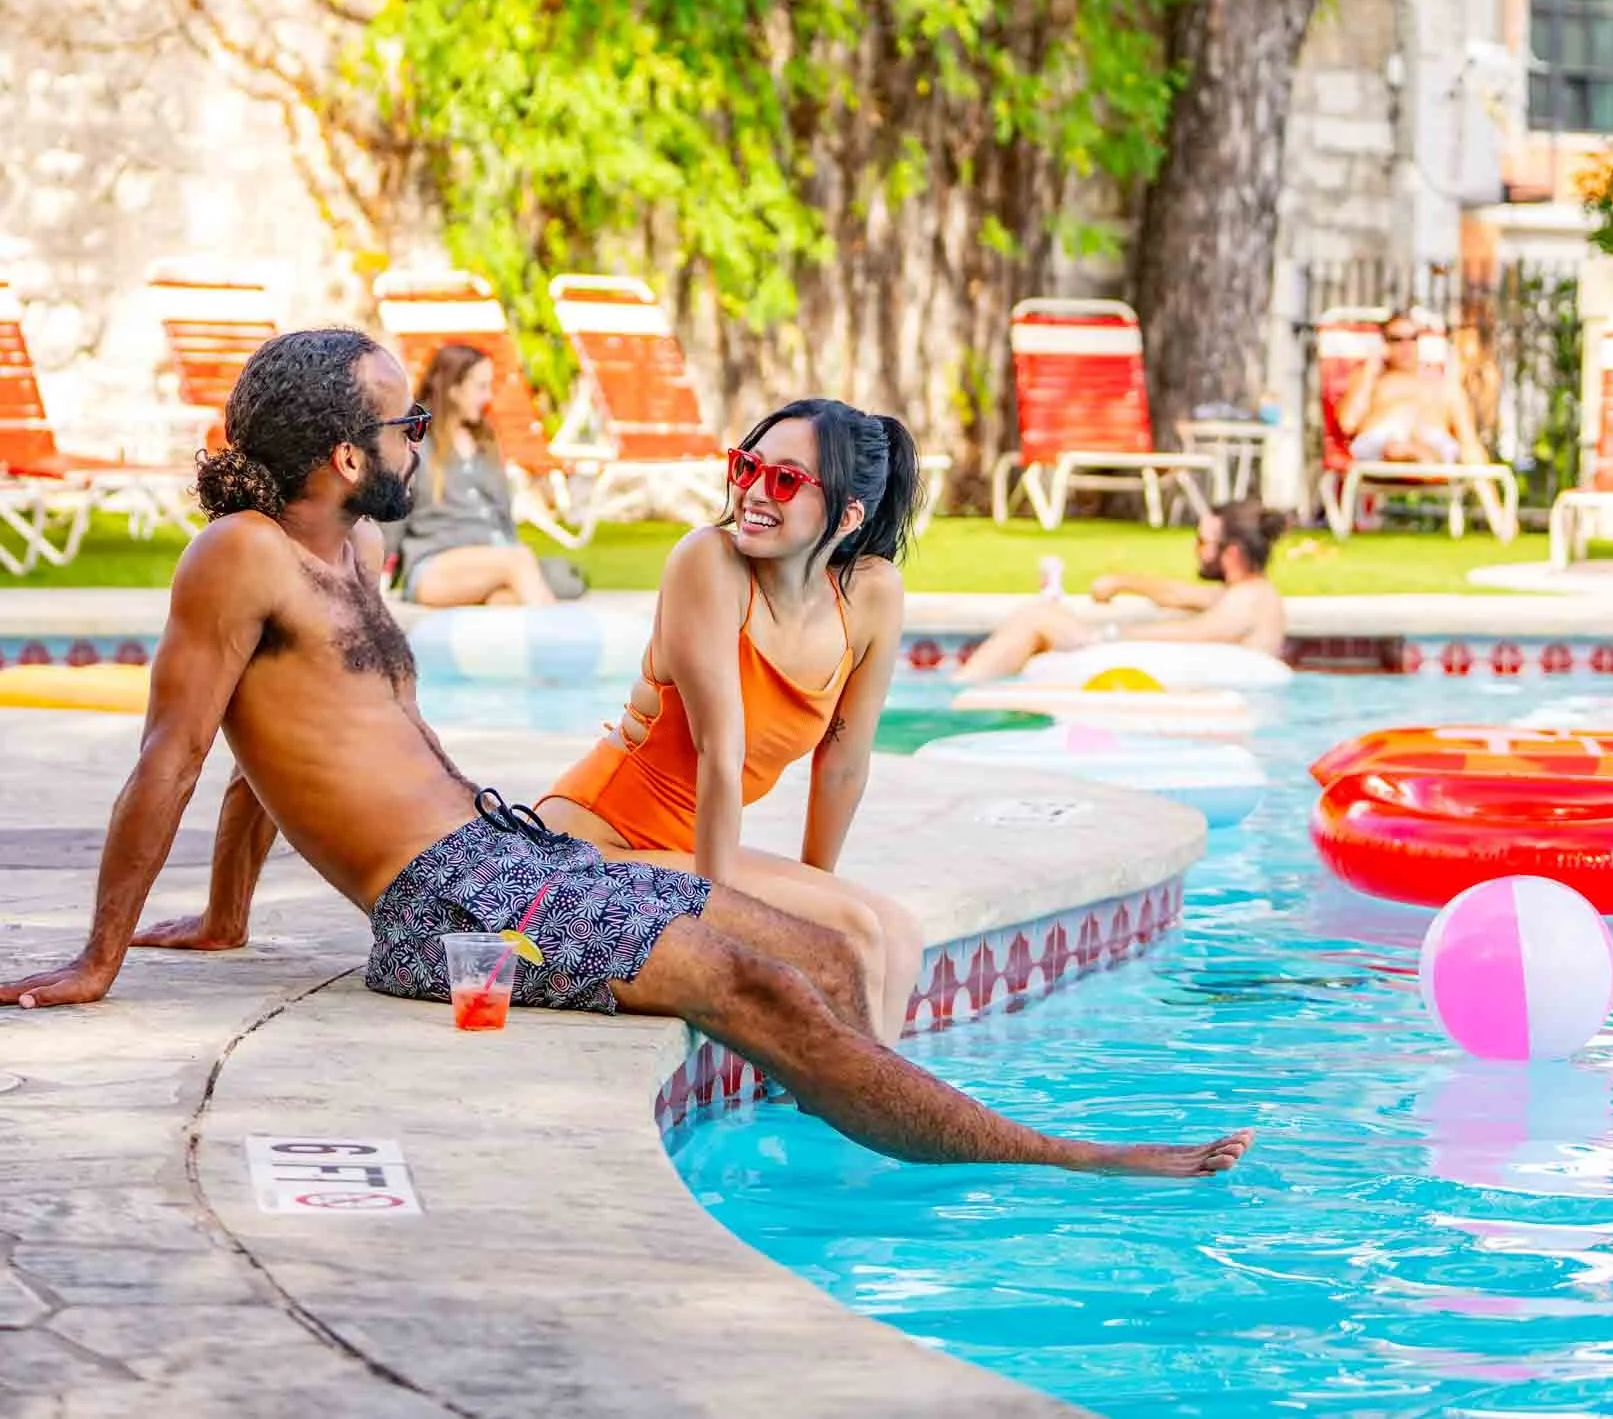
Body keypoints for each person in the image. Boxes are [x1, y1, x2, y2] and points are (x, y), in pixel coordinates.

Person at [0, 329, 1251, 1185]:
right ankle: (1062, 1159)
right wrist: (102, 955)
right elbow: (173, 755)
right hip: (442, 905)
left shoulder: (353, 554)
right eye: (408, 422)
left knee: (818, 953)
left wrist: (229, 917)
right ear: (345, 454)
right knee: (755, 985)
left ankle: (835, 1158)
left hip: (502, 852)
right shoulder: (239, 556)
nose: (421, 439)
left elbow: (268, 751)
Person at [536, 400, 921, 1040]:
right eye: (747, 466)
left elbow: (844, 763)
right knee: (852, 932)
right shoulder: (709, 562)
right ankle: (858, 1094)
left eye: (787, 479)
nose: (755, 491)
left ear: (849, 516)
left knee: (897, 933)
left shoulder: (871, 595)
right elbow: (720, 751)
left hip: (683, 848)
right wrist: (721, 915)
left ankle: (845, 1098)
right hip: (591, 845)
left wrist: (815, 889)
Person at [956, 501, 1289, 683]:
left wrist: (1109, 635)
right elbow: (1176, 594)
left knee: (1038, 619)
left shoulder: (1249, 600)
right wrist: (1121, 582)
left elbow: (1195, 633)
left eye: (1203, 542)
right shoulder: (1246, 592)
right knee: (1041, 620)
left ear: (1232, 553)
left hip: (1150, 666)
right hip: (1161, 666)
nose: (1196, 549)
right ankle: (968, 685)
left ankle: (962, 689)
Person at [390, 342, 576, 609]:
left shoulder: (484, 442)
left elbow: (503, 515)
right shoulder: (415, 445)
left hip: (494, 564)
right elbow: (391, 515)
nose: (487, 397)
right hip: (434, 567)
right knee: (519, 560)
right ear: (453, 389)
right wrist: (371, 578)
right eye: (480, 387)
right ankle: (562, 634)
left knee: (507, 599)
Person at [1338, 312, 1484, 469]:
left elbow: (1469, 441)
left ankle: (1418, 455)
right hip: (1381, 446)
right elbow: (1348, 423)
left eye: (1413, 338)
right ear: (1384, 345)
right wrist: (1371, 368)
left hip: (1432, 443)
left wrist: (1484, 478)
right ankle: (1414, 455)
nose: (1406, 346)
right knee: (1395, 448)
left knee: (1440, 449)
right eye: (1396, 339)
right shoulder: (1371, 378)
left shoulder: (1443, 385)